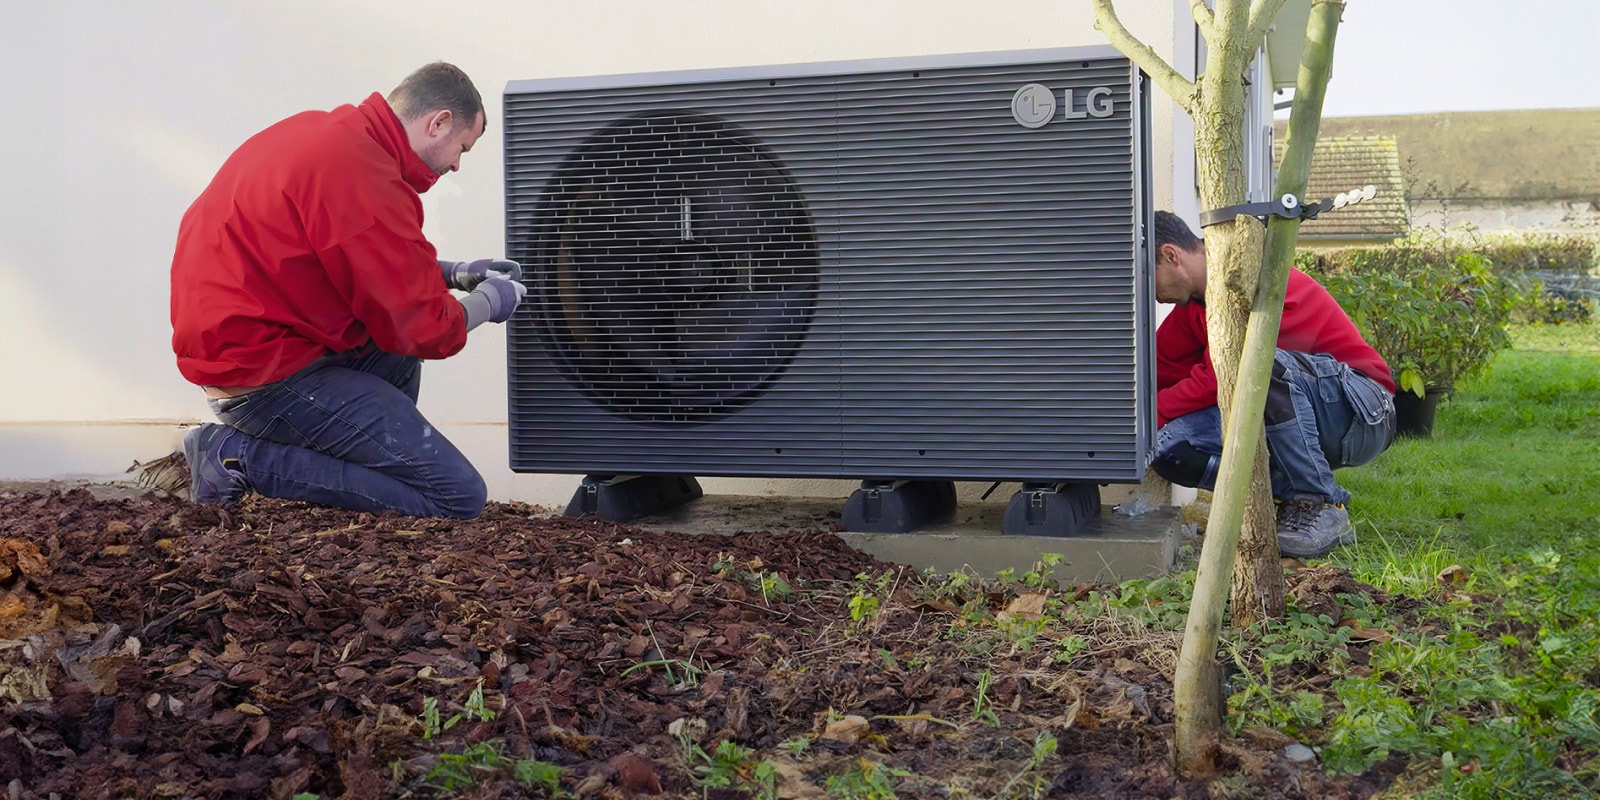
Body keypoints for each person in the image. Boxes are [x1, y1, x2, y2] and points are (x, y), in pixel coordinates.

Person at [169, 62, 525, 519]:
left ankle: (361, 481)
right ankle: (233, 457)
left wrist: (455, 273)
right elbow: (427, 328)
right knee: (455, 497)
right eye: (462, 147)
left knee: (394, 354)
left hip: (255, 345)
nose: (457, 163)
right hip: (262, 375)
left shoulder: (332, 137)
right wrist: (492, 301)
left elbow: (348, 254)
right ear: (437, 123)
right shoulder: (364, 176)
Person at [1149, 210, 1397, 557]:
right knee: (1166, 448)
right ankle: (1278, 501)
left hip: (1362, 412)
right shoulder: (1197, 306)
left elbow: (1222, 376)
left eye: (1148, 278)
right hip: (1302, 410)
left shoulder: (1256, 284)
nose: (1151, 294)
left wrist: (1151, 413)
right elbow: (1157, 369)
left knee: (1260, 362)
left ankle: (1321, 504)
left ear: (1170, 255)